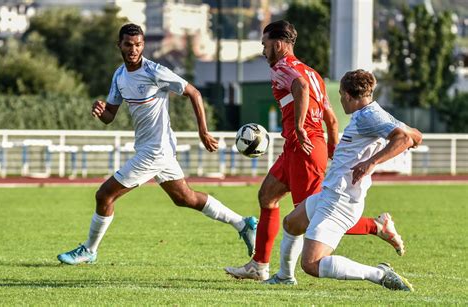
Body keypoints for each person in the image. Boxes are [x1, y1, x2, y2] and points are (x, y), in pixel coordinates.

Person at [57, 24, 257, 265]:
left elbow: (194, 92)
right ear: (119, 45)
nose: (133, 49)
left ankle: (89, 249)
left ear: (143, 45)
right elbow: (110, 115)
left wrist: (203, 131)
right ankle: (242, 223)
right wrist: (100, 111)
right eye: (128, 45)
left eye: (138, 45)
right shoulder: (119, 75)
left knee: (104, 196)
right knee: (185, 198)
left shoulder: (155, 71)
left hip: (156, 150)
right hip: (151, 148)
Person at [225, 20, 404, 283]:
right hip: (298, 148)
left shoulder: (283, 68)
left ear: (277, 44)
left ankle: (377, 226)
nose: (263, 51)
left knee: (309, 217)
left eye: (264, 45)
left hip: (303, 148)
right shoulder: (314, 74)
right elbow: (331, 119)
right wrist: (331, 150)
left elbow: (301, 88)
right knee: (267, 196)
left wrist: (298, 128)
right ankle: (259, 265)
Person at [263, 69, 421, 290]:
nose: (340, 99)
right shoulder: (371, 113)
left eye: (339, 94)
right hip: (331, 194)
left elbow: (404, 138)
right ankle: (284, 277)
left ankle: (379, 274)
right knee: (291, 224)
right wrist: (411, 137)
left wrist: (372, 162)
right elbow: (414, 136)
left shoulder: (369, 115)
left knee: (311, 264)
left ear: (347, 95)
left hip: (341, 200)